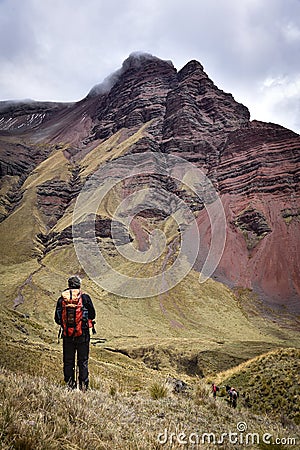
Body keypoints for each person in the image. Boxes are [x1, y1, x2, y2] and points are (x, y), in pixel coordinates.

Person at [55, 276, 96, 390]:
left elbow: (57, 319)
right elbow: (92, 315)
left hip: (67, 335)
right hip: (82, 334)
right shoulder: (85, 298)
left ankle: (70, 386)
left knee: (68, 361)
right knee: (82, 361)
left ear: (69, 285)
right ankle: (83, 387)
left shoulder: (62, 299)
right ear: (79, 285)